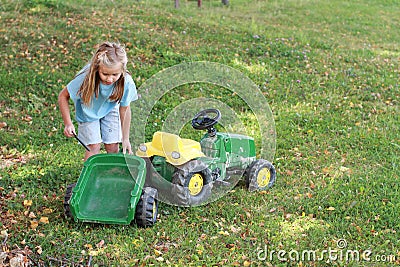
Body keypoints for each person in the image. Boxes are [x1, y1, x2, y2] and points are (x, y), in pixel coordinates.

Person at [58, 42, 137, 161]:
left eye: (115, 74)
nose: (110, 79)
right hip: (88, 110)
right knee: (93, 147)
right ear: (97, 68)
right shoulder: (85, 78)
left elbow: (124, 110)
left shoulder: (126, 82)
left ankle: (112, 175)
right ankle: (89, 178)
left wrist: (125, 139)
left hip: (111, 107)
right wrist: (68, 123)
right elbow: (63, 96)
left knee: (112, 145)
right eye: (105, 74)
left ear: (122, 70)